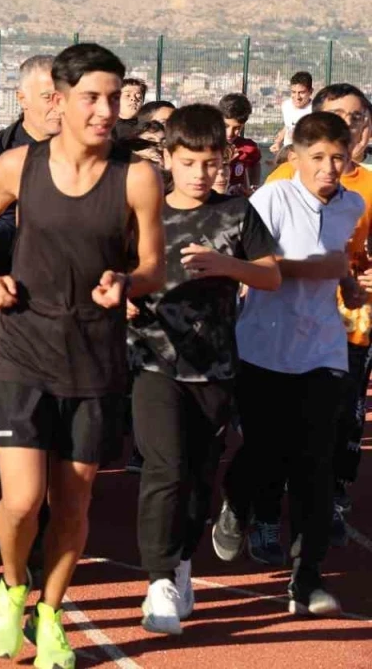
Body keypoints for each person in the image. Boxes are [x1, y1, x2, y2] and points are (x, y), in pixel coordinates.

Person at [0, 43, 164, 669]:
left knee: (72, 503)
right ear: (60, 100)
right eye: (92, 98)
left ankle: (49, 613)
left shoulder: (137, 176)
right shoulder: (18, 165)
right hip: (22, 349)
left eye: (114, 98)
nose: (106, 111)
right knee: (22, 501)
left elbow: (154, 265)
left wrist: (127, 283)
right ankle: (12, 584)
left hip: (94, 358)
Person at [126, 104, 279, 635]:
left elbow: (271, 275)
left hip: (214, 367)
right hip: (153, 360)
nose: (199, 173)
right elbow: (114, 268)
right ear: (167, 158)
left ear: (225, 160)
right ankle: (158, 580)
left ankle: (182, 563)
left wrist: (227, 266)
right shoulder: (143, 211)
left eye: (210, 163)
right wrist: (122, 297)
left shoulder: (237, 213)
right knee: (164, 468)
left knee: (197, 478)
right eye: (188, 162)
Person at [214, 111, 365, 616]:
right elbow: (252, 265)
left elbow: (337, 259)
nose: (328, 168)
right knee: (265, 452)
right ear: (295, 157)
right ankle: (236, 501)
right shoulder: (272, 199)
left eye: (337, 157)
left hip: (322, 348)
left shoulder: (353, 204)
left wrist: (347, 283)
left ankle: (307, 581)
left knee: (314, 465)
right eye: (317, 157)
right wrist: (320, 268)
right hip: (264, 344)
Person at [255, 84, 372, 552]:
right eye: (339, 115)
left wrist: (351, 281)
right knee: (274, 433)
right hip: (274, 328)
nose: (350, 124)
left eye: (358, 117)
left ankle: (324, 516)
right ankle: (259, 509)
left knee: (333, 426)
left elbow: (351, 253)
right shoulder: (281, 182)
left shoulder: (361, 194)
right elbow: (256, 256)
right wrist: (316, 269)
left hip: (340, 328)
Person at [0, 54, 60, 553]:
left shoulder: (93, 158)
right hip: (1, 307)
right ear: (21, 98)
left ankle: (47, 526)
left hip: (66, 313)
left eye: (63, 95)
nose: (57, 105)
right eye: (47, 96)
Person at [219, 93, 262, 195]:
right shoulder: (207, 145)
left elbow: (255, 164)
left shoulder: (248, 148)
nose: (230, 133)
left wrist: (252, 187)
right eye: (226, 126)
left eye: (237, 128)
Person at [272, 71, 313, 157]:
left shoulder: (315, 110)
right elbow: (288, 126)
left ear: (311, 92)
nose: (297, 97)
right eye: (293, 92)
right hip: (288, 154)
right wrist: (278, 142)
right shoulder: (286, 105)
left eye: (302, 92)